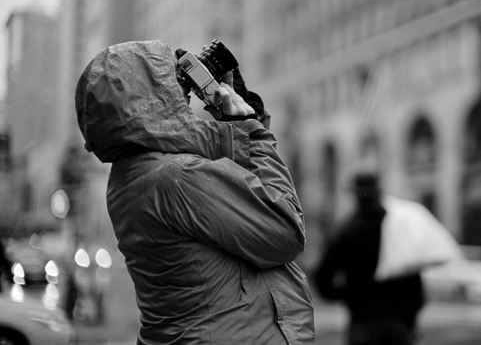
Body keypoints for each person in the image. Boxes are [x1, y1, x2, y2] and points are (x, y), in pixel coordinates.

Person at [75, 40, 315, 344]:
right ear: (148, 99)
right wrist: (251, 132)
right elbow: (286, 231)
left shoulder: (133, 175)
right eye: (171, 83)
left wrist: (246, 118)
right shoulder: (175, 178)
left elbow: (234, 181)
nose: (183, 94)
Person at [313, 172, 424, 345]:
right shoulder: (399, 228)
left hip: (363, 324)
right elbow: (415, 282)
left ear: (355, 194)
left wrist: (349, 295)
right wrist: (409, 319)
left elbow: (322, 278)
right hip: (398, 325)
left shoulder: (346, 231)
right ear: (380, 192)